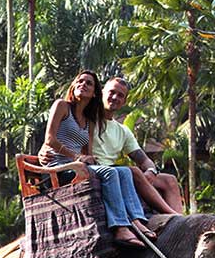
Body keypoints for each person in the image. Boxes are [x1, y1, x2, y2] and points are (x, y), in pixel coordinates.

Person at [38, 70, 154, 248]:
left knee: (123, 171)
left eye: (89, 83)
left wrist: (88, 159)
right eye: (80, 81)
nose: (83, 84)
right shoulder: (62, 106)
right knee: (109, 173)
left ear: (94, 94)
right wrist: (76, 157)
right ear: (74, 85)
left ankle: (137, 220)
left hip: (77, 166)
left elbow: (87, 152)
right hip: (59, 167)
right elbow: (50, 140)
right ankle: (120, 227)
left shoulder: (88, 121)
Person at [93, 77, 183, 214]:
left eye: (120, 95)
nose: (115, 97)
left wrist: (151, 172)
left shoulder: (123, 131)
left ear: (124, 102)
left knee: (169, 180)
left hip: (118, 174)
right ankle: (172, 215)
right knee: (133, 171)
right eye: (111, 92)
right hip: (98, 171)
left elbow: (144, 159)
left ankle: (181, 223)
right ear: (102, 92)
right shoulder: (87, 119)